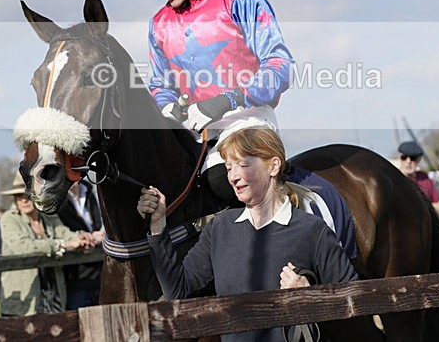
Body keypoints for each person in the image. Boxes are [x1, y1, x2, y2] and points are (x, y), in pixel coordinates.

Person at [124, 0, 294, 208]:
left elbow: (280, 66)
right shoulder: (158, 24)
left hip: (248, 119)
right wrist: (167, 106)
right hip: (194, 130)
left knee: (224, 182)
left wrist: (229, 99)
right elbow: (160, 84)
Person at [138, 127, 359, 341]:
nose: (233, 177)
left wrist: (309, 296)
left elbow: (355, 301)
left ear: (273, 166)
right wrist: (158, 226)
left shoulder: (312, 230)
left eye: (242, 165)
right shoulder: (219, 228)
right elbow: (177, 290)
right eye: (228, 168)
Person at [0, 175, 94, 316]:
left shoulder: (48, 216)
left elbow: (64, 233)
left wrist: (81, 237)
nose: (24, 200)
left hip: (53, 295)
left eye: (28, 195)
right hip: (24, 298)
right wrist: (62, 244)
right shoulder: (9, 218)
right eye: (18, 196)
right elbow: (24, 246)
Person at [57, 180, 105, 310]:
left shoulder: (92, 193)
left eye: (74, 170)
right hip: (75, 280)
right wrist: (81, 239)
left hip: (102, 275)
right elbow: (56, 232)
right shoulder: (56, 202)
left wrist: (101, 235)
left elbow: (106, 224)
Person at [397, 140, 439, 215]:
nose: (408, 161)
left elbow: (437, 201)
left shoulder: (424, 177)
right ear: (399, 158)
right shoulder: (394, 180)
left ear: (419, 159)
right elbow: (410, 207)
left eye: (413, 158)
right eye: (404, 157)